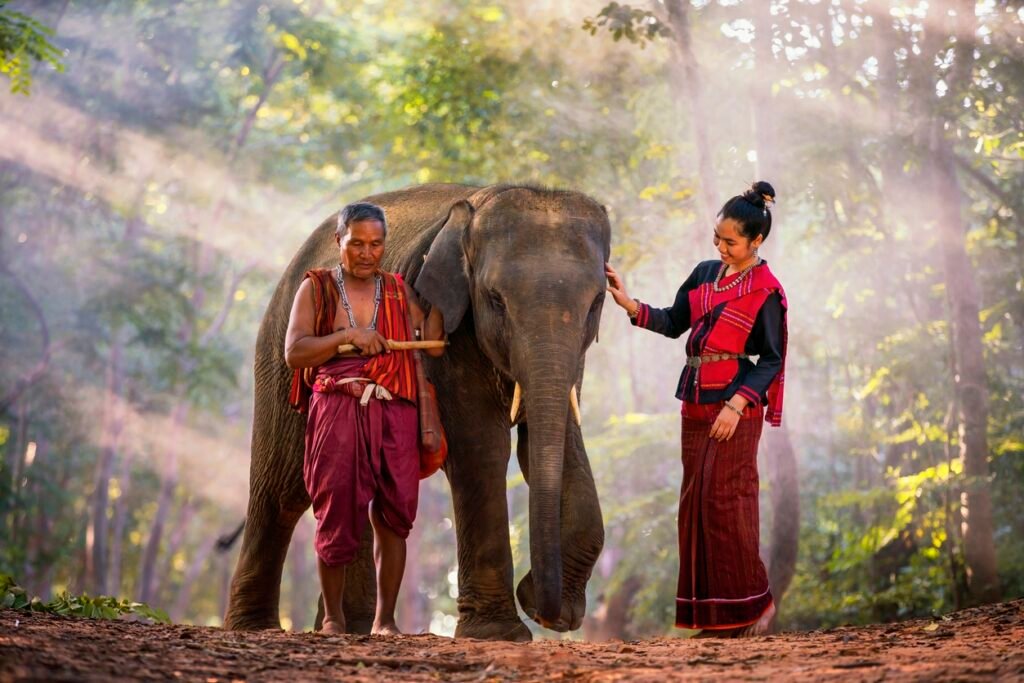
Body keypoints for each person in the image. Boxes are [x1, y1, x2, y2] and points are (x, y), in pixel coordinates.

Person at [605, 181, 788, 638]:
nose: (721, 248)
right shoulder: (706, 273)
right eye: (717, 238)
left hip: (733, 410)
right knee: (696, 508)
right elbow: (672, 322)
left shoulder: (766, 290)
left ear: (756, 241)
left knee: (730, 505)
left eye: (731, 241)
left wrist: (738, 403)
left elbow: (771, 359)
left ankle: (754, 608)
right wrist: (630, 303)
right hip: (694, 401)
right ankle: (716, 618)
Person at [284, 202, 444, 636]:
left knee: (395, 514)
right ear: (339, 243)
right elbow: (295, 352)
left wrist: (439, 299)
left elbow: (431, 346)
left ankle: (384, 621)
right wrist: (347, 337)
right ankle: (333, 618)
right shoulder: (317, 290)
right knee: (335, 508)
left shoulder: (396, 290)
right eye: (357, 244)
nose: (366, 253)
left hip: (395, 410)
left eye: (375, 244)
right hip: (336, 406)